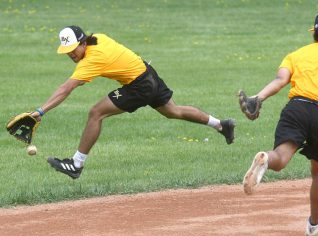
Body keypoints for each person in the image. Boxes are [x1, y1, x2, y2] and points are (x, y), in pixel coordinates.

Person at [31, 26, 235, 179]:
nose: (71, 54)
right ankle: (220, 125)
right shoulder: (99, 38)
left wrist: (41, 111)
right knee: (174, 111)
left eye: (74, 48)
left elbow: (66, 88)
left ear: (84, 42)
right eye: (67, 51)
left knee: (96, 113)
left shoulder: (92, 60)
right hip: (147, 73)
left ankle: (76, 164)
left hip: (139, 85)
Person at [241, 13, 318, 236]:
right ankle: (313, 223)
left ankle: (266, 159)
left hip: (296, 108)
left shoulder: (296, 54)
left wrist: (257, 98)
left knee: (280, 157)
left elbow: (280, 81)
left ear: (314, 34)